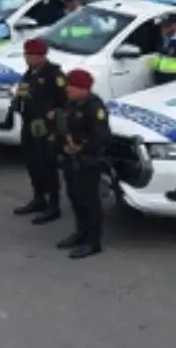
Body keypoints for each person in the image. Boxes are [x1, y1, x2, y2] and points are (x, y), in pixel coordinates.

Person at [56, 69, 112, 259]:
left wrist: (80, 148)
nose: (67, 90)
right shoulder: (72, 104)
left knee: (89, 201)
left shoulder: (94, 108)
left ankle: (93, 241)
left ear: (83, 89)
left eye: (71, 86)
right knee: (74, 196)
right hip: (72, 160)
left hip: (88, 161)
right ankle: (80, 232)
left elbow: (102, 137)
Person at [13, 38, 67, 225]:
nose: (28, 59)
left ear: (41, 56)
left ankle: (53, 205)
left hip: (45, 127)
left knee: (47, 165)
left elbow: (65, 100)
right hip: (29, 124)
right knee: (32, 163)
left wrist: (55, 112)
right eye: (26, 55)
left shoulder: (53, 74)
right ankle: (38, 198)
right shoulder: (30, 73)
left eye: (31, 56)